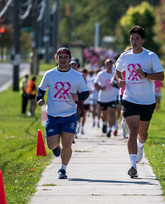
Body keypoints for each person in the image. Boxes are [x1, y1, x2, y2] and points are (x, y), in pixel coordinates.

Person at [115, 25, 164, 178]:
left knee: (142, 134)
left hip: (147, 101)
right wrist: (119, 80)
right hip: (130, 98)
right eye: (132, 38)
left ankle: (140, 146)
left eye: (137, 38)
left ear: (143, 40)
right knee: (132, 131)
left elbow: (161, 76)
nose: (134, 41)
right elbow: (117, 71)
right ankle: (133, 166)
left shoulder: (151, 56)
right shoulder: (125, 56)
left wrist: (144, 74)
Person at [36, 47, 89, 179]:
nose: (63, 60)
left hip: (69, 115)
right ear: (56, 58)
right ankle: (55, 149)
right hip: (53, 115)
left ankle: (63, 169)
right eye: (60, 57)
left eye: (65, 57)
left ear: (70, 59)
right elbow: (41, 89)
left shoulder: (77, 76)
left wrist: (78, 97)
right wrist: (40, 99)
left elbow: (85, 92)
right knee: (51, 144)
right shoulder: (49, 74)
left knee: (67, 144)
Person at [94, 59, 118, 138]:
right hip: (103, 98)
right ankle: (104, 123)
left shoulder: (115, 74)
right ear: (105, 65)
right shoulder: (101, 74)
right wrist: (100, 87)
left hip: (113, 97)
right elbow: (95, 83)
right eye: (108, 64)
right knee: (103, 114)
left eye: (110, 64)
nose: (109, 66)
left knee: (111, 113)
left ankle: (110, 129)